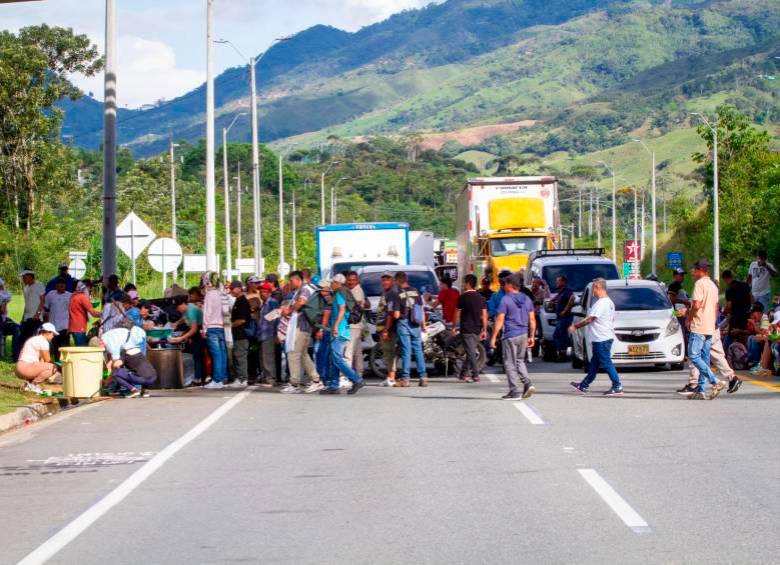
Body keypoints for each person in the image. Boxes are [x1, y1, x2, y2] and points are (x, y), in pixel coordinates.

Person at [569, 278, 623, 396]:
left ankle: (617, 386)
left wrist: (576, 326)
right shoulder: (609, 302)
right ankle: (583, 385)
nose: (593, 290)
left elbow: (590, 319)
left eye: (593, 287)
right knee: (594, 364)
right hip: (603, 337)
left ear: (598, 287)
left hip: (601, 338)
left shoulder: (602, 303)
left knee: (606, 362)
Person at [490, 274, 536, 400]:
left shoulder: (505, 299)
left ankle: (515, 391)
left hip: (510, 335)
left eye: (505, 283)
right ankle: (527, 383)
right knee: (519, 360)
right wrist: (532, 336)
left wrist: (493, 337)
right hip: (523, 334)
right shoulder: (527, 299)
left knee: (509, 363)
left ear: (511, 285)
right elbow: (532, 319)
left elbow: (499, 319)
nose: (504, 286)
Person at [685, 259, 725, 400]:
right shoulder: (713, 285)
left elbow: (696, 305)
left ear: (700, 270)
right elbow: (715, 307)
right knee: (705, 358)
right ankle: (701, 390)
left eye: (694, 269)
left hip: (699, 325)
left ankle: (715, 381)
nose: (692, 272)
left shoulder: (699, 284)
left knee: (694, 355)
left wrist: (689, 318)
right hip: (709, 326)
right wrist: (713, 323)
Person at [320, 274, 365, 395]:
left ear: (338, 283)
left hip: (339, 330)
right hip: (340, 330)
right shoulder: (340, 292)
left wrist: (335, 326)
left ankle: (357, 379)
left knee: (337, 359)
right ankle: (334, 385)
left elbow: (342, 310)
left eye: (332, 282)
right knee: (334, 358)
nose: (330, 284)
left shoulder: (340, 293)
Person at [281, 271, 321, 394]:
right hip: (302, 326)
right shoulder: (302, 290)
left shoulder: (304, 289)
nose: (290, 283)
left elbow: (302, 302)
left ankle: (294, 383)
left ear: (297, 279)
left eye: (291, 281)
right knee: (303, 354)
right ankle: (316, 380)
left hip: (301, 326)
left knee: (293, 353)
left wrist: (290, 310)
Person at [394, 271, 428, 387]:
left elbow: (396, 315)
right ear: (406, 279)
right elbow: (420, 308)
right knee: (418, 350)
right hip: (416, 323)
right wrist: (423, 324)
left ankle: (405, 378)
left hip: (403, 323)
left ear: (398, 281)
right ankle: (423, 377)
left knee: (406, 351)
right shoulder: (415, 291)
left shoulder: (397, 294)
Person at [101, 325, 155, 398]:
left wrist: (108, 380)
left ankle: (133, 390)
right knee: (140, 368)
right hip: (153, 377)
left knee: (116, 373)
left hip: (143, 379)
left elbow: (116, 365)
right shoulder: (138, 351)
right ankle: (145, 390)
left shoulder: (123, 352)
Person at [454, 274, 487, 383]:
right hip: (477, 328)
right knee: (470, 350)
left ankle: (475, 374)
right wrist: (485, 329)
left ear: (468, 284)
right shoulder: (481, 298)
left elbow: (457, 313)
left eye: (464, 282)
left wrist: (454, 327)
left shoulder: (462, 297)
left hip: (466, 328)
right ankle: (463, 373)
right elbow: (484, 315)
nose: (463, 285)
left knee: (471, 351)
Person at [169, 292, 205, 387]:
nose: (177, 309)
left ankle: (198, 379)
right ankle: (198, 376)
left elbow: (194, 329)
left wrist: (181, 338)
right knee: (195, 355)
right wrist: (177, 323)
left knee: (197, 356)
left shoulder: (191, 310)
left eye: (178, 307)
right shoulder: (186, 310)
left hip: (199, 333)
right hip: (194, 333)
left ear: (183, 304)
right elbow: (184, 318)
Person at [15, 323, 61, 394]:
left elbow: (42, 361)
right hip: (26, 368)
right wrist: (60, 368)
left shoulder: (35, 339)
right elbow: (48, 361)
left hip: (20, 367)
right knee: (53, 368)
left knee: (44, 365)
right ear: (47, 332)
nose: (53, 336)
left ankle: (28, 385)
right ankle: (33, 385)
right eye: (53, 334)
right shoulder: (43, 341)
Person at [202, 272, 228, 390]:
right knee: (222, 353)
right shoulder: (222, 293)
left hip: (212, 327)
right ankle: (222, 378)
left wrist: (204, 328)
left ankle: (217, 380)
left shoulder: (209, 294)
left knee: (216, 354)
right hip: (222, 327)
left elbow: (207, 313)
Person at [376, 271, 400, 387]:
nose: (385, 282)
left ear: (393, 281)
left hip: (389, 329)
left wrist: (386, 330)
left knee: (389, 353)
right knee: (387, 353)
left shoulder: (391, 294)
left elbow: (391, 314)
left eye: (388, 280)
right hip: (383, 328)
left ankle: (391, 378)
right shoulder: (385, 293)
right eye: (383, 280)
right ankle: (390, 377)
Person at [344, 271, 368, 376]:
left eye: (353, 280)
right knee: (357, 351)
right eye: (349, 280)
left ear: (357, 280)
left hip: (353, 325)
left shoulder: (356, 290)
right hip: (357, 325)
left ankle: (346, 376)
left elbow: (355, 306)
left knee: (348, 352)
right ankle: (359, 374)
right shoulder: (353, 290)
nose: (351, 282)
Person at [255, 282, 279, 386]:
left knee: (268, 357)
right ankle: (265, 378)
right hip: (262, 334)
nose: (262, 293)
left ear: (269, 293)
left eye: (264, 292)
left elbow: (277, 317)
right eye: (261, 291)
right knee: (262, 357)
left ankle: (270, 379)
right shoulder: (263, 304)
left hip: (269, 334)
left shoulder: (272, 302)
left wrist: (277, 334)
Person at [228, 281, 251, 387]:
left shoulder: (242, 302)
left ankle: (243, 378)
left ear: (238, 289)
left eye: (232, 288)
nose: (230, 291)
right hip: (237, 334)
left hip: (242, 334)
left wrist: (230, 325)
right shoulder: (238, 301)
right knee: (237, 356)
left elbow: (242, 320)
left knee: (240, 356)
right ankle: (239, 377)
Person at [44, 278, 71, 361]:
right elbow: (46, 308)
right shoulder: (51, 294)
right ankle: (57, 364)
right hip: (53, 326)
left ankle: (65, 364)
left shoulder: (70, 295)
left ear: (65, 286)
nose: (60, 288)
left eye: (62, 287)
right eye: (58, 287)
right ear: (56, 286)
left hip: (65, 326)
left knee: (65, 347)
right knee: (56, 347)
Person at [68, 281, 101, 346]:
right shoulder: (82, 297)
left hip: (73, 326)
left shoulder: (73, 295)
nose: (91, 289)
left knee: (79, 346)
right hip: (79, 327)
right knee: (82, 348)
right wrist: (105, 314)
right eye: (90, 287)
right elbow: (93, 313)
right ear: (85, 288)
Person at [551, 275, 575, 361]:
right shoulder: (561, 292)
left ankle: (563, 354)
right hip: (560, 318)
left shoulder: (567, 291)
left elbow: (572, 298)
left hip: (565, 318)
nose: (556, 283)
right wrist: (552, 300)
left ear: (563, 282)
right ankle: (561, 353)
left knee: (560, 336)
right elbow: (557, 298)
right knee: (559, 336)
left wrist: (565, 310)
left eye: (558, 281)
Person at [722, 269, 752, 337]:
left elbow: (729, 306)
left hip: (735, 317)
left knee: (731, 335)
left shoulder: (729, 289)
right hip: (747, 315)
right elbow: (752, 298)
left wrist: (724, 313)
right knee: (744, 335)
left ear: (725, 279)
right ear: (732, 276)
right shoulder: (745, 285)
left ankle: (728, 347)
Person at [20, 270, 45, 344]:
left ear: (30, 277)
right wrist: (23, 317)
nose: (23, 279)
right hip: (26, 317)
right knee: (24, 338)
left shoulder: (39, 285)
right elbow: (27, 303)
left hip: (36, 317)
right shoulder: (26, 288)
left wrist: (38, 313)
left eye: (24, 277)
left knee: (35, 338)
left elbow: (42, 300)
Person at [0, 278, 22, 360]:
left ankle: (16, 355)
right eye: (1, 287)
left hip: (4, 320)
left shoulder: (3, 295)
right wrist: (4, 303)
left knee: (17, 328)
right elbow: (2, 311)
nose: (3, 288)